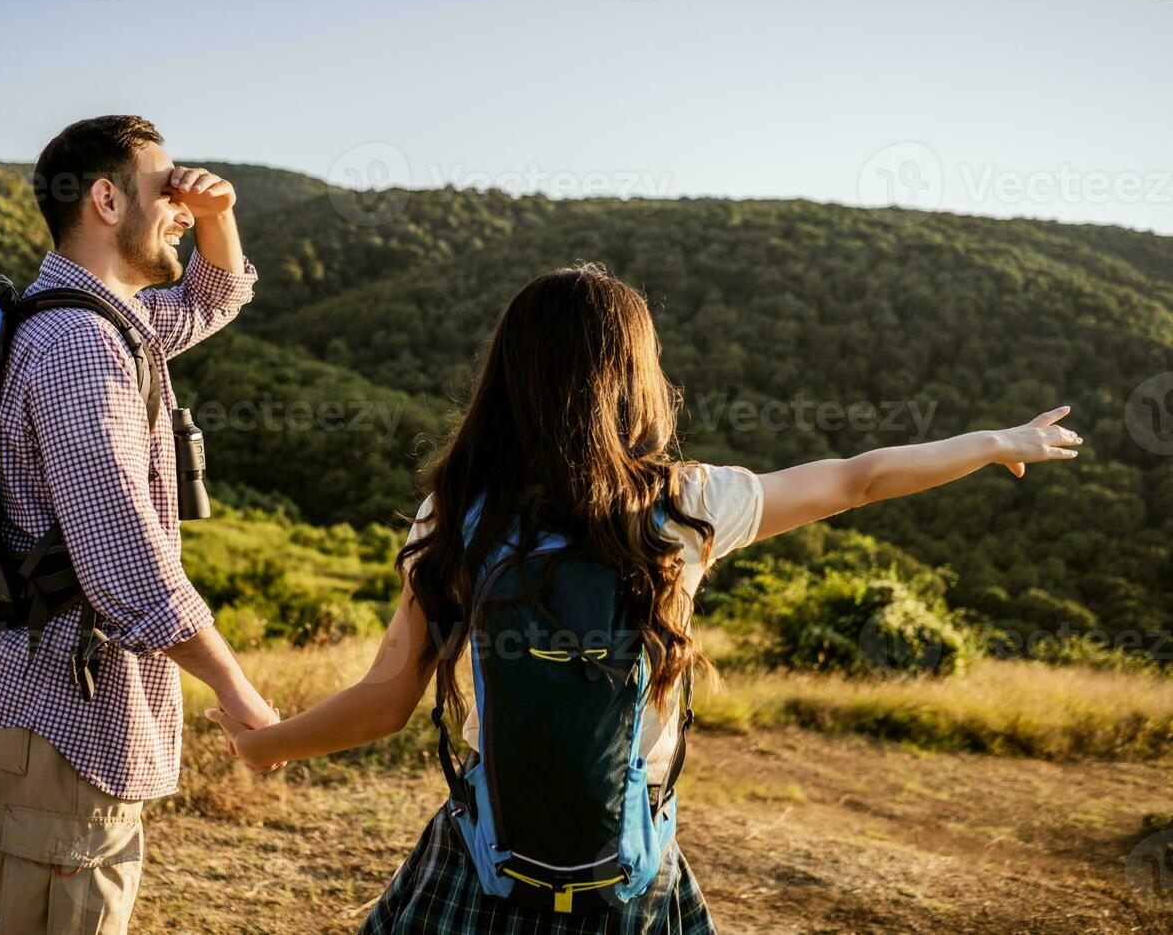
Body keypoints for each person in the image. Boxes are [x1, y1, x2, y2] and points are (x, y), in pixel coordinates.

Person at [206, 263, 1081, 933]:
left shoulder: (460, 510)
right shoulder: (688, 504)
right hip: (630, 869)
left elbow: (384, 702)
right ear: (636, 374)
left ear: (506, 375)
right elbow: (856, 480)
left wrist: (267, 748)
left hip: (481, 867)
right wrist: (990, 439)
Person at [0, 115, 280, 935]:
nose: (178, 203)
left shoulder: (107, 321)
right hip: (63, 720)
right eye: (162, 187)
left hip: (51, 721)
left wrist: (215, 214)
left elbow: (217, 293)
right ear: (105, 199)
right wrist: (236, 688)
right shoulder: (79, 343)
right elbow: (124, 560)